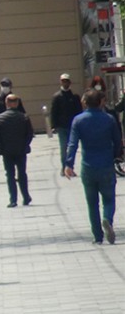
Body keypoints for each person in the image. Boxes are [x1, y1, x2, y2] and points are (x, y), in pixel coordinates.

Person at [65, 89, 122, 244]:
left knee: (92, 202)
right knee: (109, 199)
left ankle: (97, 236)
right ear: (101, 102)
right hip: (106, 164)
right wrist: (116, 155)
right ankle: (107, 219)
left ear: (85, 102)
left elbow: (72, 143)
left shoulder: (78, 120)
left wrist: (68, 164)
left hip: (88, 166)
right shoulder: (109, 119)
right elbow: (117, 141)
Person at [0, 94, 34, 208]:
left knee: (10, 175)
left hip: (7, 151)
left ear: (7, 103)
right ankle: (26, 197)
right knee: (22, 174)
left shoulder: (0, 118)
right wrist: (25, 144)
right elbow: (30, 134)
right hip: (21, 151)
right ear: (17, 103)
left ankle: (13, 200)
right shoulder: (24, 117)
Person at [50, 73, 83, 177]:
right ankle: (64, 167)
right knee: (63, 147)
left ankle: (70, 168)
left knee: (72, 148)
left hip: (72, 127)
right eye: (63, 81)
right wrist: (53, 126)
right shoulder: (57, 97)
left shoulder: (74, 97)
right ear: (61, 82)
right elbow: (53, 112)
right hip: (61, 127)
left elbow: (79, 111)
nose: (65, 83)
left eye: (67, 81)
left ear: (70, 82)